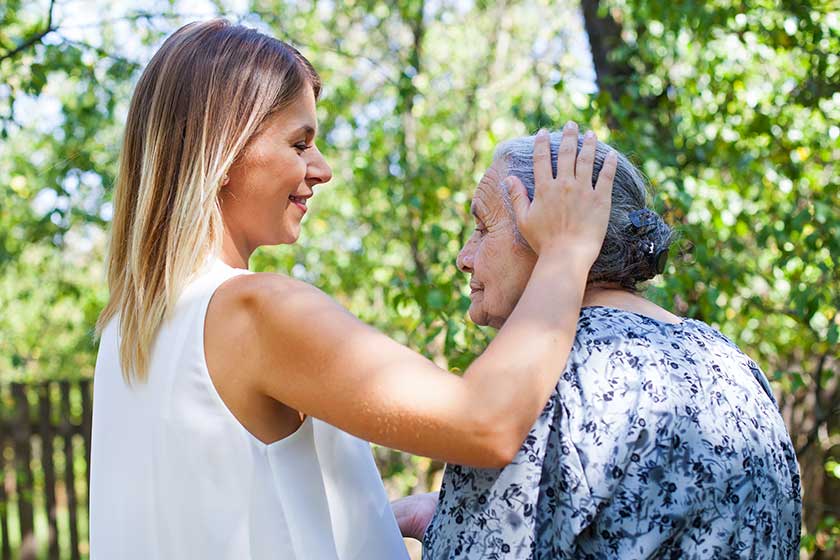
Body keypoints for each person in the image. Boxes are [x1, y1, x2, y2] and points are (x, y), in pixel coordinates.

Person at [87, 19, 618, 559]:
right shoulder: (255, 310)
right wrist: (566, 252)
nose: (323, 169)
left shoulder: (128, 330)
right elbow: (486, 423)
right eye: (300, 143)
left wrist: (391, 520)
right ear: (222, 149)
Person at [420, 130, 802, 559]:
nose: (464, 257)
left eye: (482, 227)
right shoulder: (733, 363)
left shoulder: (541, 372)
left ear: (551, 226)